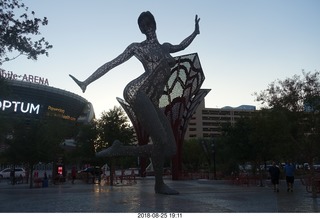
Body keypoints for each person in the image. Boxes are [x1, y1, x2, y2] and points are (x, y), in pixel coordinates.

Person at [69, 11, 200, 194]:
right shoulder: (137, 47)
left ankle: (120, 149)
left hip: (153, 100)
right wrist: (87, 81)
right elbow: (111, 63)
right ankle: (159, 185)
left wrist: (195, 32)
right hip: (137, 91)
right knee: (160, 141)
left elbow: (181, 45)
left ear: (154, 24)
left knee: (170, 148)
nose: (146, 27)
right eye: (142, 25)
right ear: (141, 29)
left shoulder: (165, 47)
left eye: (148, 23)